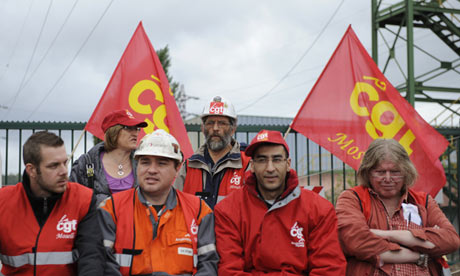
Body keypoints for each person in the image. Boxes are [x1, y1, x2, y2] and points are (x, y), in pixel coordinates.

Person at [214, 129, 347, 275]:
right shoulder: (228, 209)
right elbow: (229, 270)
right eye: (262, 160)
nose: (270, 168)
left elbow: (329, 268)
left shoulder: (319, 209)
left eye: (277, 159)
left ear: (288, 163)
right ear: (252, 165)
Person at [98, 129, 218, 276]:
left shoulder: (199, 211)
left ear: (177, 168)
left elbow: (209, 265)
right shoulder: (111, 209)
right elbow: (101, 264)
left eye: (161, 163)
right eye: (145, 162)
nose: (151, 170)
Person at [336, 139, 460, 276]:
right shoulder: (353, 198)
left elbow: (451, 240)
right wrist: (418, 255)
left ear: (407, 172)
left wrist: (382, 234)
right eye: (380, 172)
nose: (388, 179)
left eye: (395, 172)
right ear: (368, 172)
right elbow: (355, 242)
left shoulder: (423, 201)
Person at [0, 131, 104, 275]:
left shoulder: (83, 200)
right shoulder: (3, 202)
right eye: (53, 166)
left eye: (65, 162)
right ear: (31, 170)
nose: (63, 171)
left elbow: (92, 259)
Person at [174, 96, 250, 209]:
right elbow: (175, 208)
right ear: (203, 128)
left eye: (222, 123)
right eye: (210, 123)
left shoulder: (247, 164)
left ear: (233, 129)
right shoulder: (189, 166)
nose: (215, 128)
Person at [70, 109, 147, 205]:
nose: (135, 133)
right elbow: (72, 199)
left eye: (137, 128)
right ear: (113, 131)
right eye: (129, 128)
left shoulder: (143, 162)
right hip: (98, 219)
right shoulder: (86, 163)